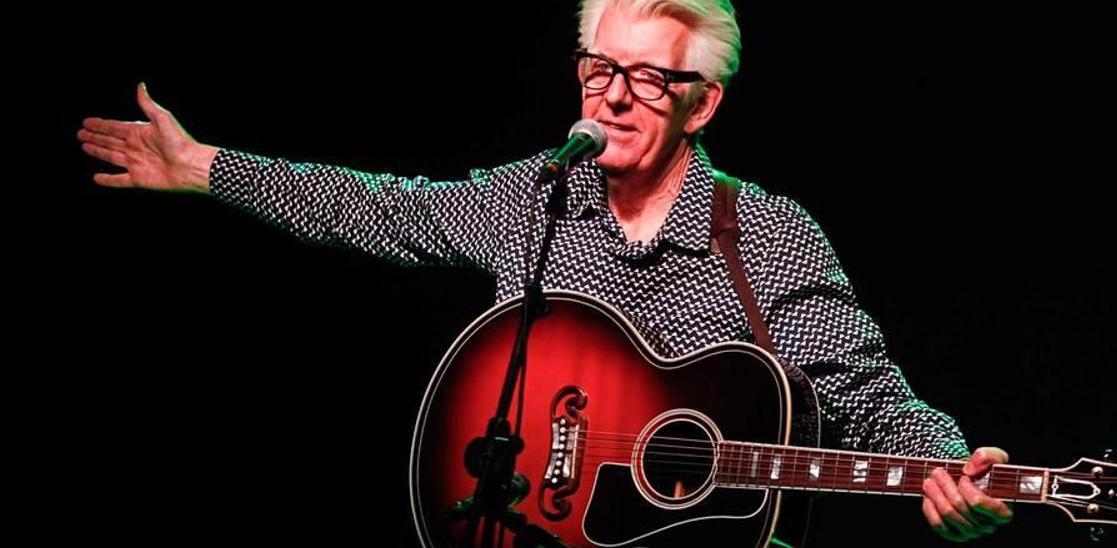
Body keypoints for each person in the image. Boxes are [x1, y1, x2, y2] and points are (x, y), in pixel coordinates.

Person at [77, 0, 1012, 543]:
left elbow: (875, 403)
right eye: (598, 67)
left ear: (703, 104)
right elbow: (380, 206)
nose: (614, 94)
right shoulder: (538, 196)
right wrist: (206, 168)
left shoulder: (765, 235)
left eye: (648, 77)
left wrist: (951, 468)